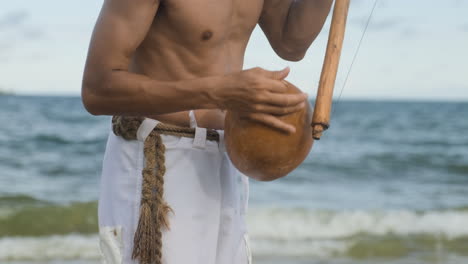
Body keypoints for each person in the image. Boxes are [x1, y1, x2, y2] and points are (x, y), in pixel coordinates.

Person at [81, 0, 332, 263]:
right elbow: (97, 89)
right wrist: (218, 92)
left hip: (226, 158)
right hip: (160, 156)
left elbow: (291, 43)